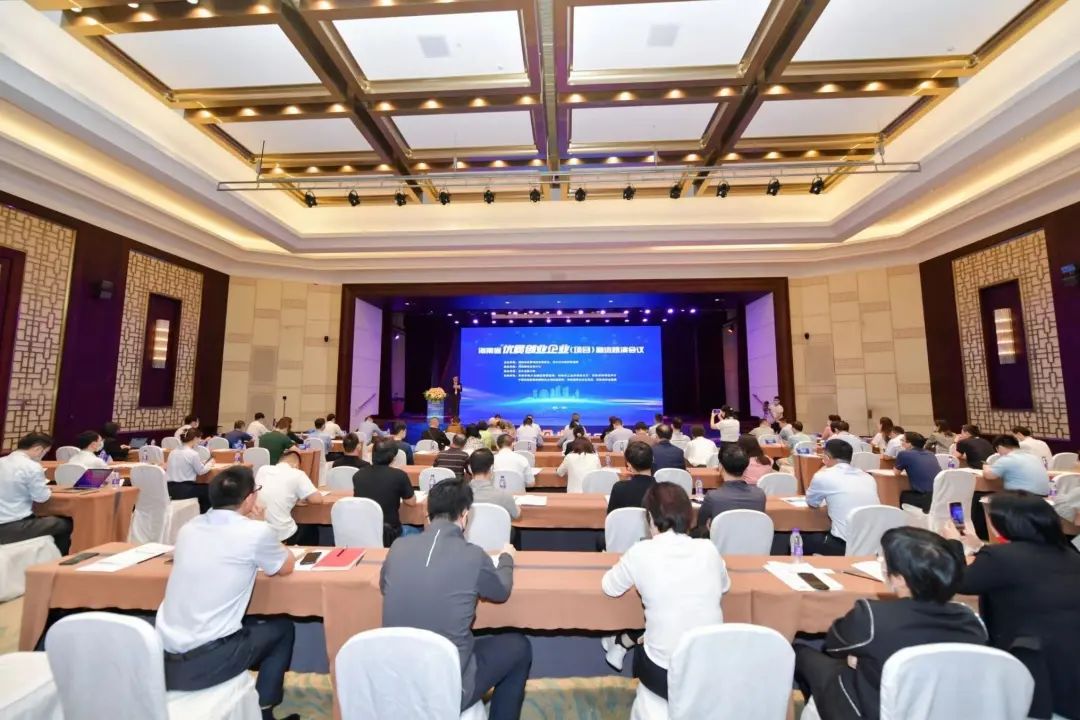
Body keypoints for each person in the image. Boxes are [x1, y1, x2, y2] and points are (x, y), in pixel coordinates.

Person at [794, 527, 987, 720]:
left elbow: (833, 646)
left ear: (900, 579)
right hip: (940, 710)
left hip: (872, 709)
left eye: (885, 562)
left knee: (801, 652)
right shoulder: (972, 622)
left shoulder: (871, 616)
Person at [156, 467, 298, 720]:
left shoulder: (189, 527)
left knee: (250, 622)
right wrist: (262, 525)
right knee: (282, 629)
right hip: (210, 660)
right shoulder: (255, 532)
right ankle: (265, 710)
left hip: (164, 658)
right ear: (249, 499)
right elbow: (285, 566)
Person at [380, 480, 530, 720]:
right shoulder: (473, 555)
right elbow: (501, 591)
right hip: (446, 687)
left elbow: (384, 585)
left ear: (428, 513)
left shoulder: (398, 546)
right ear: (465, 515)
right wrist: (506, 559)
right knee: (519, 647)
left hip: (396, 679)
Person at [946, 493, 1080, 719]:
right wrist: (980, 547)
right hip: (1069, 662)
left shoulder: (1000, 557)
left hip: (1033, 663)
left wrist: (954, 544)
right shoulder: (1070, 555)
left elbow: (958, 581)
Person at [602, 482, 729, 696]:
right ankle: (625, 641)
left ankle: (627, 649)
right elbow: (725, 585)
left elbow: (609, 587)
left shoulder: (641, 552)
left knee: (650, 638)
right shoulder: (708, 549)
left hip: (663, 674)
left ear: (650, 518)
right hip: (710, 670)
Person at [804, 439, 880, 555]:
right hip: (872, 545)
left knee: (802, 538)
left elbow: (812, 503)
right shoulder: (868, 477)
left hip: (843, 545)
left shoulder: (823, 476)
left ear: (826, 457)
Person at [0, 433, 72, 555]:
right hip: (12, 526)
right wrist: (47, 488)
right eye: (45, 452)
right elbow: (41, 498)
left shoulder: (2, 461)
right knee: (65, 524)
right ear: (38, 449)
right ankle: (58, 561)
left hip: (5, 523)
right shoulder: (32, 466)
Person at [353, 439, 418, 545]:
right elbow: (411, 502)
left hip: (365, 530)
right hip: (391, 533)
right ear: (393, 458)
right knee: (419, 530)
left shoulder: (358, 475)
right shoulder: (399, 475)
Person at [255, 449, 322, 544]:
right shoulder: (298, 474)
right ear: (296, 465)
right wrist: (298, 499)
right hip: (282, 534)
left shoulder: (263, 469)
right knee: (311, 528)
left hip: (259, 531)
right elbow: (317, 499)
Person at [695, 446, 766, 530]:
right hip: (752, 537)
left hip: (721, 538)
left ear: (720, 467)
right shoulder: (760, 495)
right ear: (746, 468)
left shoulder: (713, 497)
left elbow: (701, 524)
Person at [167, 428, 214, 513]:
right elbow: (201, 471)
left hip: (169, 488)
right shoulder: (193, 453)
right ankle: (204, 515)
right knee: (208, 489)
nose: (200, 441)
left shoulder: (173, 452)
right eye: (199, 438)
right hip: (185, 490)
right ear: (195, 438)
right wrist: (210, 463)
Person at [984, 435, 1051, 495]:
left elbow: (989, 475)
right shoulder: (1034, 457)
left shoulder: (1008, 458)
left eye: (997, 450)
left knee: (990, 497)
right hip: (1044, 497)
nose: (999, 454)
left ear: (1000, 447)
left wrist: (986, 465)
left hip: (1023, 498)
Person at [894, 432, 942, 512]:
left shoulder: (904, 454)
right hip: (939, 495)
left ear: (909, 444)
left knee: (902, 495)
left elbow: (896, 472)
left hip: (924, 498)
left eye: (902, 440)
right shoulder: (930, 454)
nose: (901, 443)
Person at [468, 449, 520, 520]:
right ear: (492, 468)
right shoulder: (504, 497)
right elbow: (516, 515)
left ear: (469, 469)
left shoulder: (457, 496)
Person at [607, 441, 656, 514]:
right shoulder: (663, 491)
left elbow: (611, 516)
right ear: (652, 460)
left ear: (629, 465)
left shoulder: (619, 488)